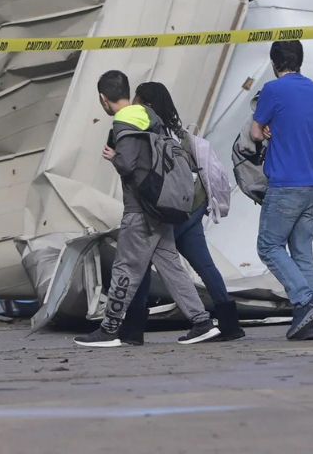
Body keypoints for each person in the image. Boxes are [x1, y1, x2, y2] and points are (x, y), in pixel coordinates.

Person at [74, 71, 222, 348]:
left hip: (140, 209)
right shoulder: (150, 117)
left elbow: (128, 165)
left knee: (125, 266)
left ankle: (109, 330)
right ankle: (202, 322)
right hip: (160, 207)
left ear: (103, 99)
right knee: (172, 268)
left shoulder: (123, 120)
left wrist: (115, 158)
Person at [116, 82, 244, 345]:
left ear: (146, 103)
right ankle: (230, 325)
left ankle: (132, 330)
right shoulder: (178, 133)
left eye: (138, 100)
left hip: (169, 211)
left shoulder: (152, 131)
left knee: (141, 262)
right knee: (204, 264)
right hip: (194, 205)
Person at [252, 40, 313, 340]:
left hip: (285, 183)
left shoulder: (273, 89)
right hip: (311, 181)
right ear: (300, 61)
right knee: (302, 252)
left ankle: (305, 299)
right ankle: (306, 324)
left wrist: (266, 129)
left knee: (268, 246)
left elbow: (255, 131)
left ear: (274, 64)